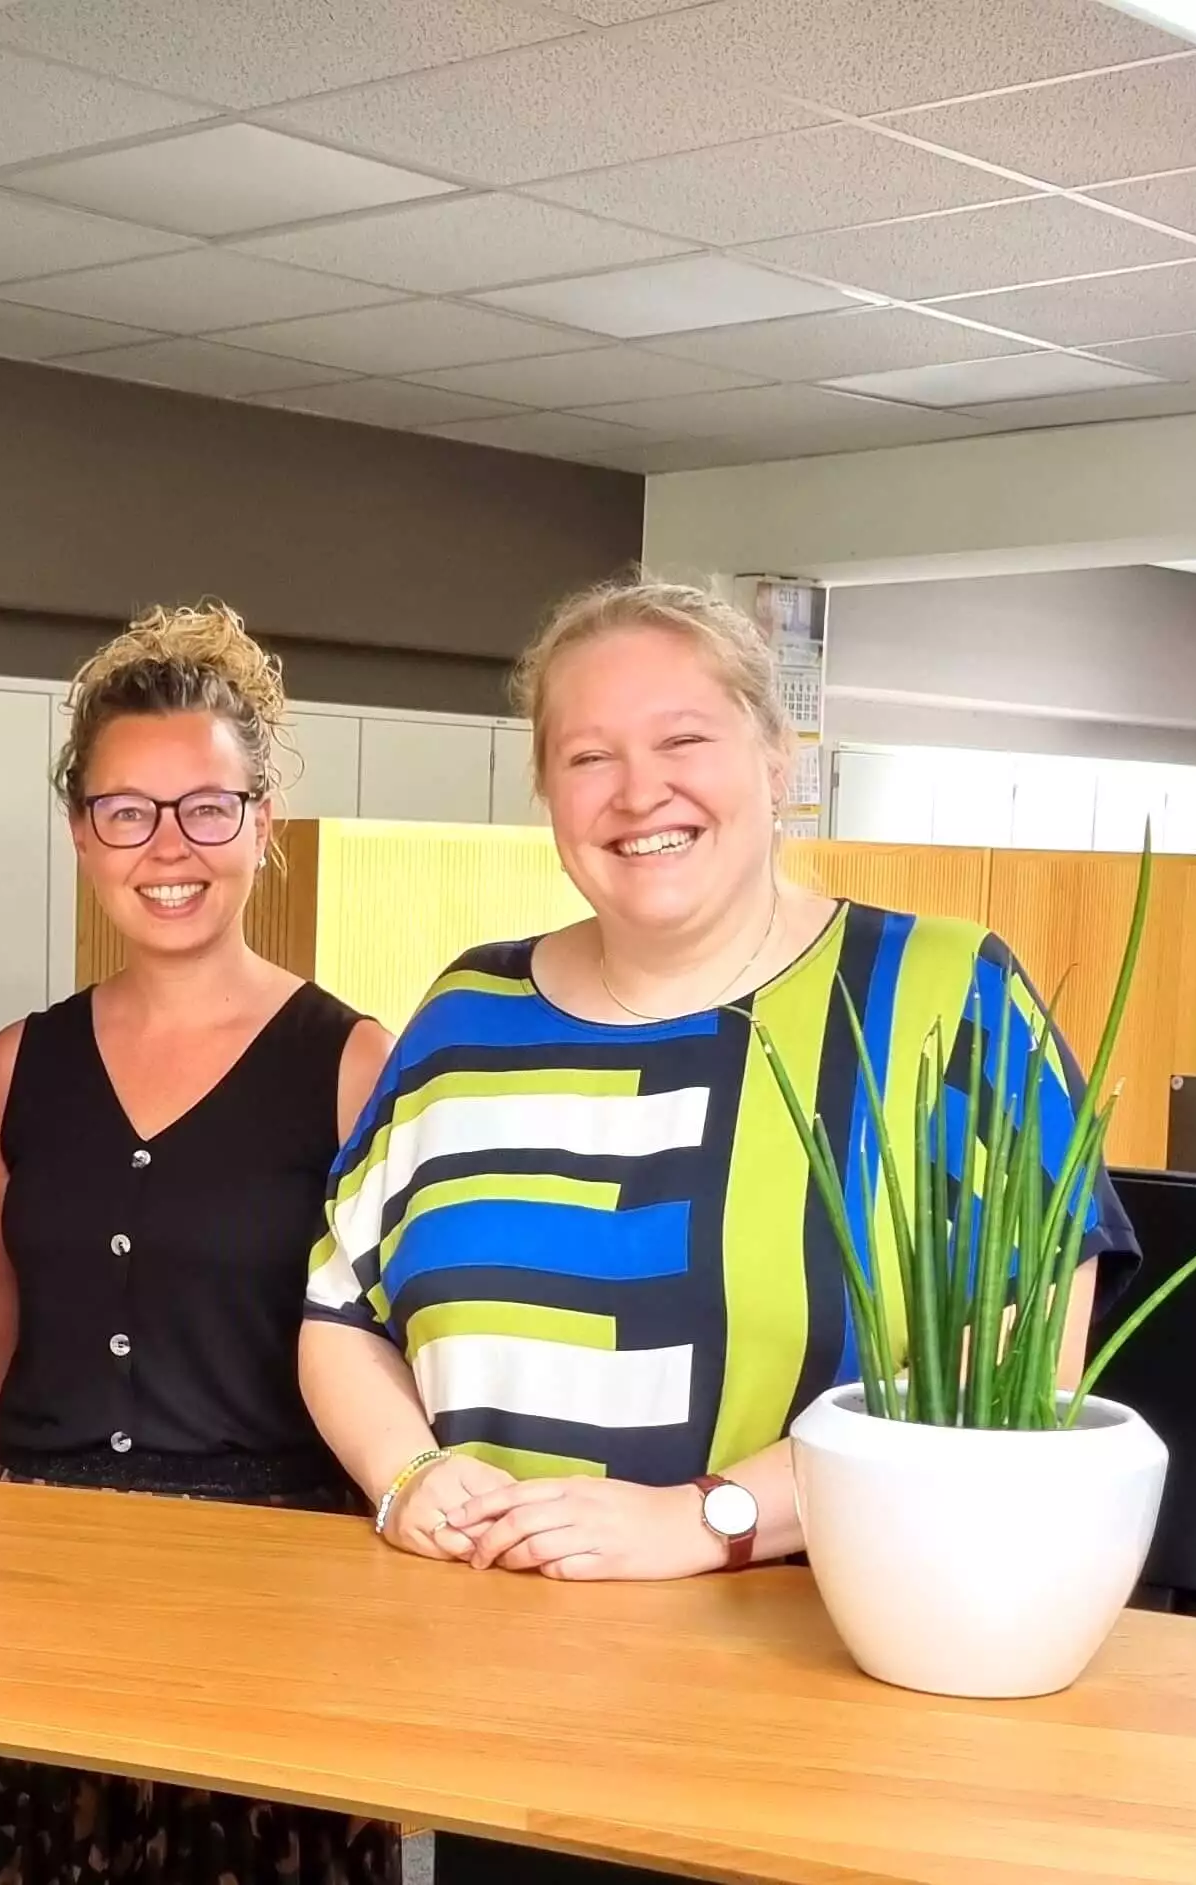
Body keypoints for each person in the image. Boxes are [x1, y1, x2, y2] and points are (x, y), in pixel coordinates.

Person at [299, 576, 1137, 1600]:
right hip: (471, 1647)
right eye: (586, 756)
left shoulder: (943, 997)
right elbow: (340, 1311)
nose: (637, 790)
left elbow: (1017, 1376)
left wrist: (706, 1517)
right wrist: (407, 1477)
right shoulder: (465, 1013)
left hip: (816, 1658)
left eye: (682, 740)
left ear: (776, 761)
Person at [0, 602, 402, 1885]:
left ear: (261, 822)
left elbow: (395, 1374)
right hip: (38, 1579)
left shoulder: (352, 1063)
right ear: (81, 830)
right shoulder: (18, 1064)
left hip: (266, 1595)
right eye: (126, 811)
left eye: (207, 806)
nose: (167, 846)